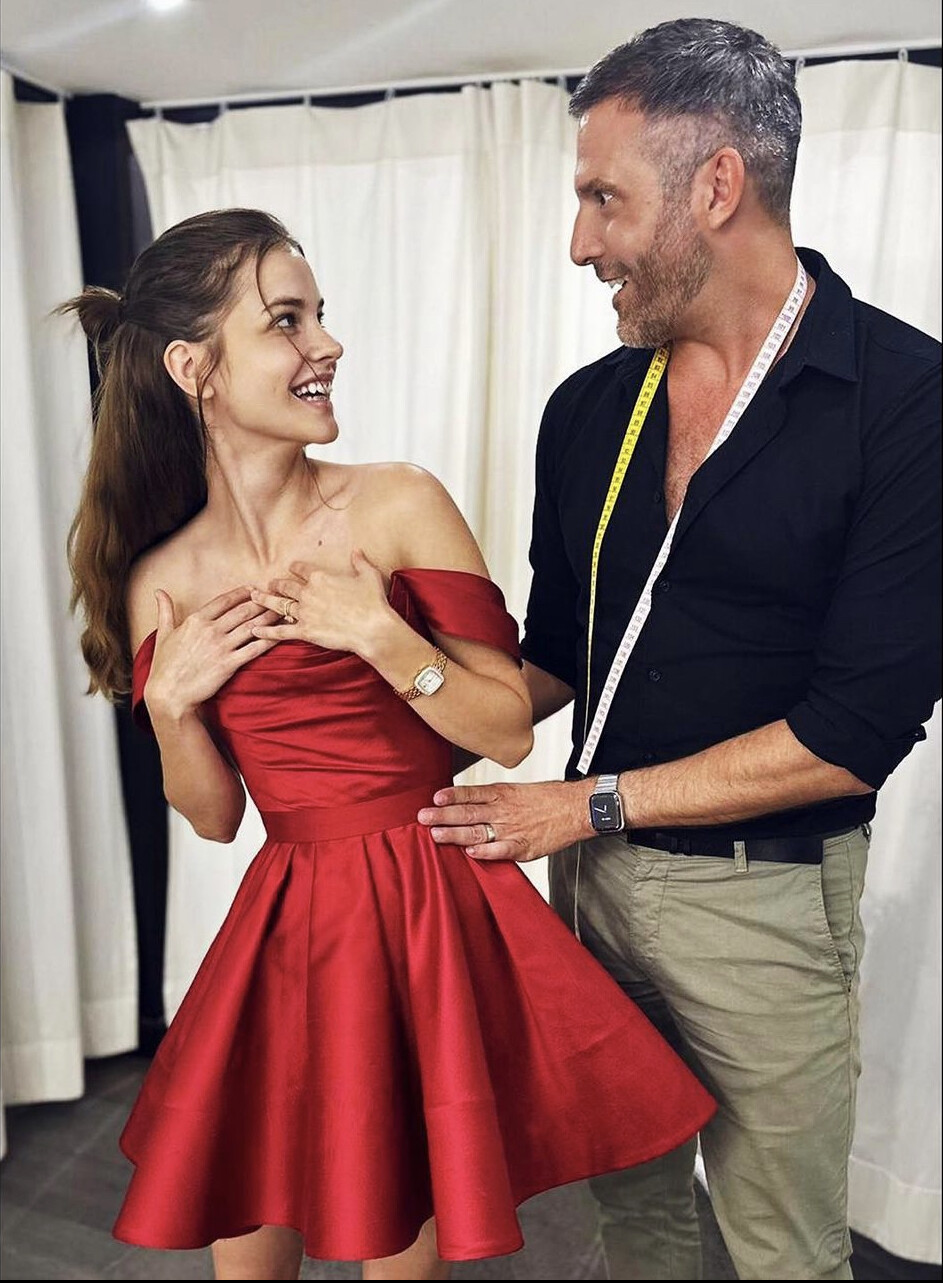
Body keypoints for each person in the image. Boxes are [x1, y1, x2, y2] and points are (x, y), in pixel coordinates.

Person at [63, 207, 715, 1281]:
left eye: (319, 314)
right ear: (194, 368)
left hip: (425, 902)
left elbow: (505, 726)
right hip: (288, 916)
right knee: (248, 1209)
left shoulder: (397, 501)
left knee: (402, 1204)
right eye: (286, 320)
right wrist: (172, 709)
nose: (327, 343)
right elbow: (216, 817)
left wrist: (378, 633)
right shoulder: (160, 579)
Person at [419, 18, 942, 1282]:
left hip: (765, 904)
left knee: (782, 1253)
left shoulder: (907, 402)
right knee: (636, 1230)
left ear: (716, 186)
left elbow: (850, 733)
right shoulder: (589, 407)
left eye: (603, 197)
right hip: (589, 888)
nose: (578, 242)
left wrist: (584, 802)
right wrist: (384, 674)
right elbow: (560, 652)